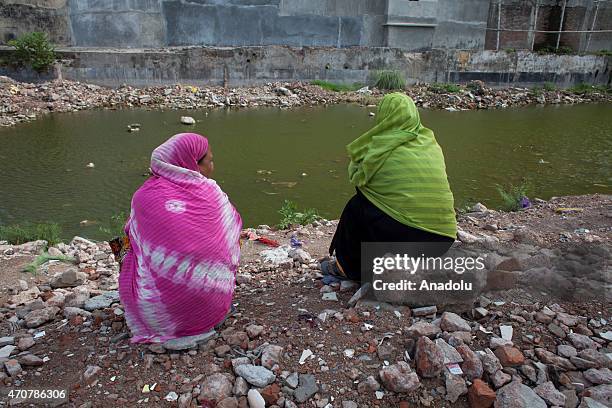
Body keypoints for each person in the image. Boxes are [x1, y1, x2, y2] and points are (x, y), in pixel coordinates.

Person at [118, 133, 242, 344]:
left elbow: (131, 237)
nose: (213, 167)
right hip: (210, 307)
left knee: (130, 249)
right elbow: (232, 235)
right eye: (210, 161)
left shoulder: (144, 196)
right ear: (192, 164)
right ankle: (201, 305)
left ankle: (163, 308)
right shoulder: (211, 192)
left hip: (157, 315)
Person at [322, 93, 457, 281]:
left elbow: (361, 182)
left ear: (383, 115)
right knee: (381, 204)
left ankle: (348, 268)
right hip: (442, 242)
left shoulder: (381, 147)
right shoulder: (430, 144)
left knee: (357, 206)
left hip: (409, 241)